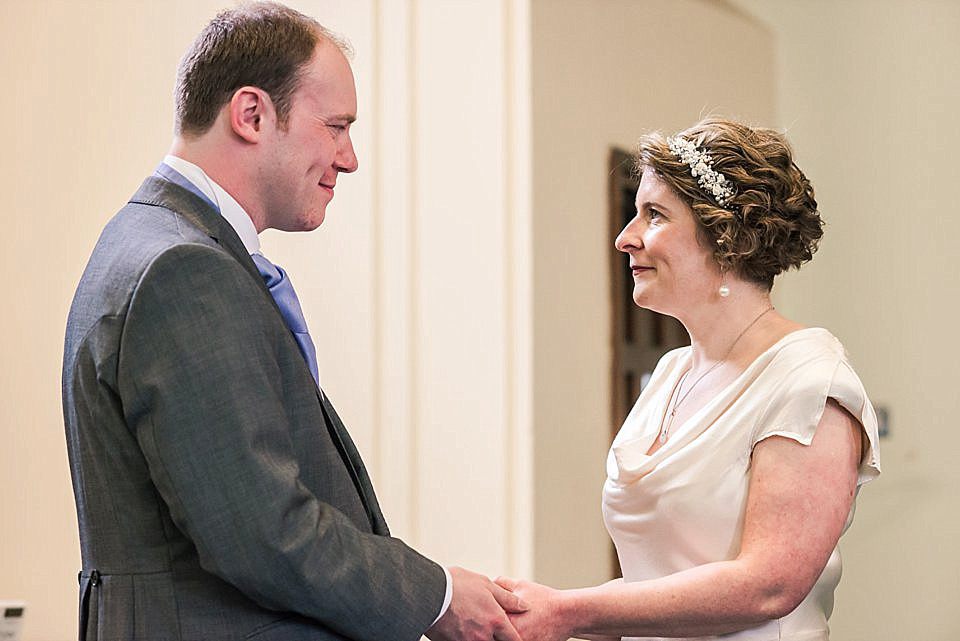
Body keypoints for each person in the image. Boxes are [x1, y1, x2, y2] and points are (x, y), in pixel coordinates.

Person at [61, 3, 525, 640]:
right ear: (252, 114)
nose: (351, 156)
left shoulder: (152, 240)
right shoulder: (183, 269)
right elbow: (260, 529)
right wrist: (434, 595)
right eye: (336, 126)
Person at [495, 118, 881, 641]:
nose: (624, 238)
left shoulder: (808, 380)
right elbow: (656, 577)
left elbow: (769, 587)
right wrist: (536, 609)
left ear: (726, 237)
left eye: (653, 215)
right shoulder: (673, 372)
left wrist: (572, 612)